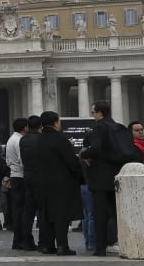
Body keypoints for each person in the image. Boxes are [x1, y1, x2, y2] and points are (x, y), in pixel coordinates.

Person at [34, 111, 83, 255]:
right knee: (61, 215)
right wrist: (80, 177)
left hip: (43, 182)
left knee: (47, 215)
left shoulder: (39, 140)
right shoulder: (60, 139)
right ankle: (62, 246)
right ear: (56, 123)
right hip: (62, 183)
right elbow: (71, 161)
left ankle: (48, 245)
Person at [80, 101, 125, 256]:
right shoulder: (119, 127)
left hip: (100, 176)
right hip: (117, 173)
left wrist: (84, 154)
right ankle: (120, 241)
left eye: (93, 112)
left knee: (100, 214)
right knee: (116, 211)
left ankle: (100, 247)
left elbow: (96, 149)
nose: (93, 115)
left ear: (99, 113)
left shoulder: (99, 128)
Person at [19, 114, 48, 252]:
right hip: (41, 177)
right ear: (40, 126)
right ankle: (43, 241)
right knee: (42, 211)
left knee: (28, 211)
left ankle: (27, 240)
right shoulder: (41, 139)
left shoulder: (23, 140)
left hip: (28, 176)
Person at [5, 118, 28, 250]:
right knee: (22, 210)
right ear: (24, 127)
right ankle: (21, 240)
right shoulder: (19, 140)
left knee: (17, 209)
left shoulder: (10, 139)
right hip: (20, 176)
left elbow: (8, 161)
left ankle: (17, 239)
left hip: (14, 175)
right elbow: (22, 160)